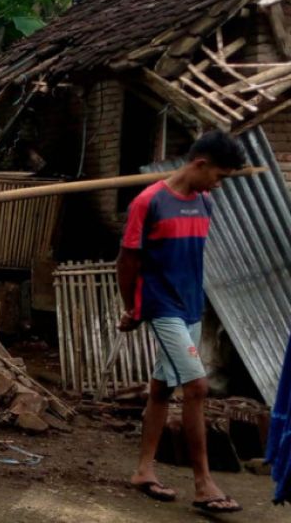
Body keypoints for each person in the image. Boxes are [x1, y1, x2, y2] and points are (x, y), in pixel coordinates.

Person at [116, 130, 247, 514]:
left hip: (191, 307)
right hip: (163, 307)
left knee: (161, 389)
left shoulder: (204, 201)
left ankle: (143, 470)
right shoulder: (149, 201)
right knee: (197, 386)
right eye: (219, 176)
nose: (219, 185)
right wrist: (132, 308)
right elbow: (127, 260)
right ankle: (204, 483)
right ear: (200, 164)